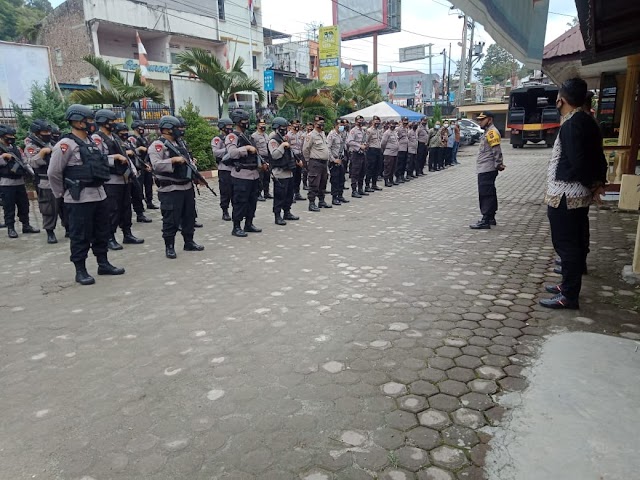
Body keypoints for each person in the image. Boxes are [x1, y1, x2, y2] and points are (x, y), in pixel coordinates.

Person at [540, 78, 607, 309]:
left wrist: (592, 183)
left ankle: (569, 295)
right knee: (576, 242)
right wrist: (598, 183)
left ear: (562, 99)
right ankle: (567, 285)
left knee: (566, 245)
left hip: (565, 195)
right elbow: (599, 156)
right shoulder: (588, 121)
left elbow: (578, 162)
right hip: (576, 195)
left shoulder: (572, 124)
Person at [48, 104, 124, 285]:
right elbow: (53, 172)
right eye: (89, 121)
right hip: (78, 198)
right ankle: (80, 270)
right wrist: (61, 194)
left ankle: (103, 263)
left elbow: (99, 161)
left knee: (101, 231)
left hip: (99, 195)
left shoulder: (91, 142)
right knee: (80, 234)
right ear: (77, 121)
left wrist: (115, 159)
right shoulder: (65, 145)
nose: (92, 124)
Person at [148, 115, 204, 257]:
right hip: (171, 189)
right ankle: (170, 246)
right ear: (167, 129)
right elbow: (155, 165)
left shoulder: (181, 143)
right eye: (176, 128)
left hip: (186, 187)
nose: (180, 130)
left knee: (189, 216)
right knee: (171, 219)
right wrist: (173, 160)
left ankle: (189, 242)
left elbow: (188, 162)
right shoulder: (157, 145)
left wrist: (195, 173)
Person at [92, 109, 144, 250]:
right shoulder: (98, 138)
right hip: (111, 180)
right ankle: (110, 237)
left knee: (126, 208)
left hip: (124, 179)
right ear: (103, 122)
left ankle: (127, 233)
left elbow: (125, 156)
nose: (114, 124)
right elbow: (96, 158)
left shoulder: (115, 137)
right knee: (112, 210)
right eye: (111, 121)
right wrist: (113, 158)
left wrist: (132, 170)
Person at [225, 109, 265, 237]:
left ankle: (249, 223)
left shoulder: (248, 136)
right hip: (241, 174)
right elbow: (231, 153)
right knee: (240, 201)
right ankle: (236, 226)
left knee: (252, 201)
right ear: (237, 122)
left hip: (253, 174)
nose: (246, 123)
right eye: (244, 121)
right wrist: (246, 148)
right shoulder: (232, 136)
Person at [0, 125, 40, 238]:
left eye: (13, 135)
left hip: (19, 182)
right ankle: (11, 228)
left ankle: (26, 225)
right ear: (2, 136)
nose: (12, 138)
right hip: (6, 183)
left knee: (24, 205)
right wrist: (3, 157)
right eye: (9, 136)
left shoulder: (16, 148)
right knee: (9, 207)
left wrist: (31, 173)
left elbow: (24, 161)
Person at [25, 119, 59, 243]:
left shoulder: (53, 142)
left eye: (49, 131)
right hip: (45, 181)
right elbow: (31, 162)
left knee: (65, 207)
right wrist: (42, 154)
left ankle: (69, 229)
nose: (48, 134)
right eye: (45, 131)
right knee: (48, 207)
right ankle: (50, 231)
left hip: (59, 179)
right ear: (37, 133)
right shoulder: (31, 146)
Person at [469, 111, 505, 230]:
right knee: (490, 192)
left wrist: (498, 163)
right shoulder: (488, 132)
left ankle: (486, 219)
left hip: (487, 168)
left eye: (482, 119)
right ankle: (491, 217)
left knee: (485, 193)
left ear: (489, 120)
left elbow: (496, 150)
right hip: (485, 167)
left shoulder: (491, 133)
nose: (479, 122)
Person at [115, 122, 151, 224]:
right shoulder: (115, 142)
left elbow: (136, 156)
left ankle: (140, 214)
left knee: (137, 193)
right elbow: (110, 155)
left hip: (133, 171)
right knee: (123, 198)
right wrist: (126, 153)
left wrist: (144, 166)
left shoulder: (128, 142)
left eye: (126, 131)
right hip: (122, 173)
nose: (125, 133)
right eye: (122, 132)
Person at [268, 116, 300, 225]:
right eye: (282, 127)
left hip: (289, 171)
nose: (285, 129)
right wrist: (282, 146)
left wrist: (296, 161)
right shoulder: (274, 140)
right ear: (277, 127)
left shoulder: (284, 138)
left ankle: (287, 212)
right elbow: (275, 155)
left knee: (289, 195)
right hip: (279, 172)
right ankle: (277, 215)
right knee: (279, 195)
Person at [303, 115, 332, 211]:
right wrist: (309, 161)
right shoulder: (311, 135)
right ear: (315, 124)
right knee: (314, 183)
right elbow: (305, 149)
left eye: (323, 123)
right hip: (315, 162)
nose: (322, 125)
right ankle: (311, 203)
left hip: (324, 163)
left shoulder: (323, 134)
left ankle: (321, 201)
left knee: (323, 182)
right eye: (320, 123)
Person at [129, 120, 158, 209]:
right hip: (139, 165)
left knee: (149, 184)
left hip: (146, 164)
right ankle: (140, 205)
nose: (142, 130)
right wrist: (139, 149)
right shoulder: (132, 139)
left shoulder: (143, 138)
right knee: (139, 186)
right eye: (140, 128)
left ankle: (149, 202)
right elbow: (131, 152)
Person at [212, 117, 234, 221]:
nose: (230, 128)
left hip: (234, 168)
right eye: (227, 126)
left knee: (235, 191)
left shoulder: (233, 137)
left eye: (231, 126)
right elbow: (216, 152)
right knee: (225, 191)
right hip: (224, 168)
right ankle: (225, 211)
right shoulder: (218, 139)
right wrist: (229, 149)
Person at [327, 119, 349, 205]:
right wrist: (333, 159)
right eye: (340, 125)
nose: (342, 126)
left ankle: (340, 195)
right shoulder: (332, 135)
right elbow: (328, 148)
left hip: (341, 159)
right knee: (335, 180)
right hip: (335, 160)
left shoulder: (342, 134)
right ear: (336, 125)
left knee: (341, 179)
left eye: (343, 125)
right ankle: (334, 197)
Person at [346, 115, 369, 198]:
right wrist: (359, 146)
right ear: (356, 122)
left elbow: (364, 140)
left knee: (362, 172)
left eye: (362, 120)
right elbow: (349, 141)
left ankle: (360, 189)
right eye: (359, 121)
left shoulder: (363, 131)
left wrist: (365, 145)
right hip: (355, 154)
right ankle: (354, 191)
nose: (361, 122)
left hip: (362, 154)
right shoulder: (353, 131)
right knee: (355, 173)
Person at [251, 118, 272, 202]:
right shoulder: (254, 136)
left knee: (267, 176)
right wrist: (260, 160)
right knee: (260, 176)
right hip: (259, 158)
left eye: (264, 124)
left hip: (267, 157)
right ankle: (258, 193)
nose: (263, 126)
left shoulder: (266, 135)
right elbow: (255, 149)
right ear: (257, 126)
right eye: (261, 125)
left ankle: (266, 193)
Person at [365, 115, 383, 191]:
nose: (377, 123)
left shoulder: (378, 131)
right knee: (370, 168)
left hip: (378, 150)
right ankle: (367, 185)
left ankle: (374, 184)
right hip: (372, 150)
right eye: (375, 122)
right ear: (372, 122)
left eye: (378, 122)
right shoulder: (369, 130)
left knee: (377, 168)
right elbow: (366, 141)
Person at [290, 120, 306, 201]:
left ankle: (297, 193)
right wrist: (295, 159)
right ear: (291, 125)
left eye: (298, 124)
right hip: (292, 157)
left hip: (300, 156)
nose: (297, 126)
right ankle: (291, 194)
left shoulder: (301, 134)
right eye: (295, 124)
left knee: (299, 176)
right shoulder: (288, 135)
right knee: (293, 176)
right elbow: (288, 148)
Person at [381, 120, 399, 187]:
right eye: (392, 124)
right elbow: (383, 143)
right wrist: (384, 150)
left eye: (394, 124)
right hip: (389, 153)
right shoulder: (387, 133)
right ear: (389, 125)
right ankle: (386, 181)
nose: (393, 126)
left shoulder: (395, 132)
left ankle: (391, 180)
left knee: (393, 168)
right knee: (388, 168)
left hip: (395, 153)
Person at [395, 116, 409, 183]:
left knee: (404, 163)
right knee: (399, 164)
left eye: (406, 121)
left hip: (406, 148)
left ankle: (402, 175)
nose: (406, 122)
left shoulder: (406, 129)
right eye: (404, 121)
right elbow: (397, 138)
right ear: (402, 121)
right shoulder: (398, 129)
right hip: (400, 149)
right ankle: (398, 177)